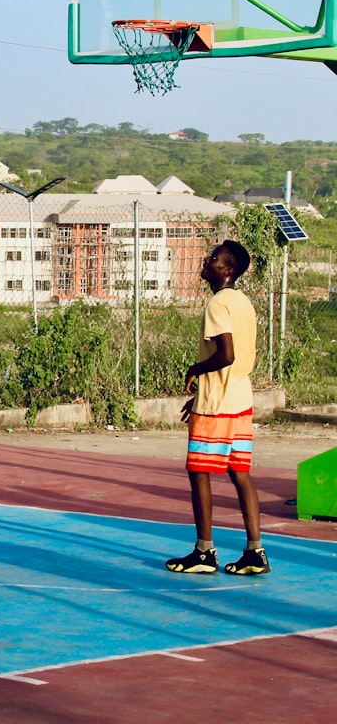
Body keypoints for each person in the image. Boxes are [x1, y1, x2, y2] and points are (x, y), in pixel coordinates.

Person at [165, 240, 269, 576]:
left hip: (218, 406)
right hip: (240, 398)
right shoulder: (243, 302)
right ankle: (256, 552)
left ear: (226, 270)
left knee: (199, 472)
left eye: (212, 258)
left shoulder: (217, 303)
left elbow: (226, 355)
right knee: (240, 473)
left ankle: (204, 552)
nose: (205, 260)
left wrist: (195, 370)